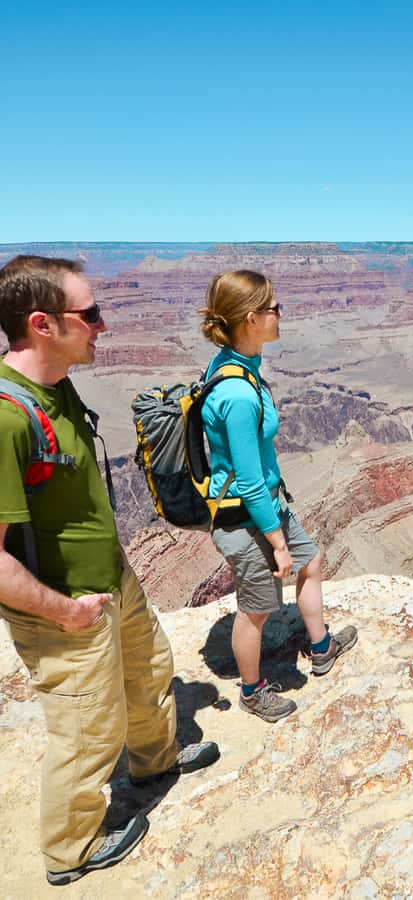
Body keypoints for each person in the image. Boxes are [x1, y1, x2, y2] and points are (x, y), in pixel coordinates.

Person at [0, 256, 220, 887]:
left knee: (150, 671)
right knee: (88, 730)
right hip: (64, 604)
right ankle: (71, 848)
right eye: (90, 313)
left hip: (110, 577)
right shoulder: (8, 417)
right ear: (42, 324)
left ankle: (157, 761)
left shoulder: (57, 385)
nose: (104, 325)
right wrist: (65, 611)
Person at [199, 270, 357, 722]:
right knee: (256, 610)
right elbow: (248, 480)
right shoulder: (237, 394)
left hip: (268, 507)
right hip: (245, 517)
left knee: (313, 562)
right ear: (251, 319)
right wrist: (277, 543)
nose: (280, 315)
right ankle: (252, 691)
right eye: (274, 308)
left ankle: (321, 647)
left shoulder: (239, 364)